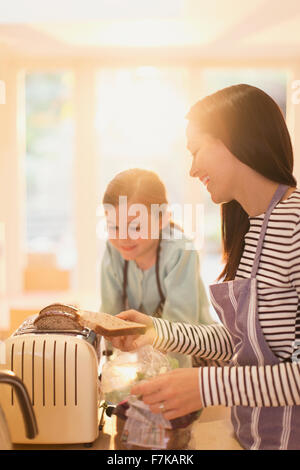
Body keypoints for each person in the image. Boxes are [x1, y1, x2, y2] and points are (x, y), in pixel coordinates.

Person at [108, 84, 300, 450]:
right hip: (252, 441)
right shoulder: (252, 228)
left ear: (236, 140)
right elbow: (241, 343)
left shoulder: (296, 225)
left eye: (196, 150)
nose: (193, 169)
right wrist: (156, 331)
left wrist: (203, 387)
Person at [100, 168, 213, 368]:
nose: (123, 238)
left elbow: (181, 330)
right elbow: (109, 317)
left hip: (196, 355)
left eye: (135, 227)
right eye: (114, 227)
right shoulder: (113, 250)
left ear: (162, 219)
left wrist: (170, 383)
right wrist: (105, 366)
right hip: (148, 357)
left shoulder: (180, 251)